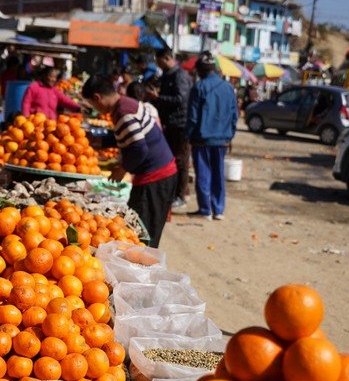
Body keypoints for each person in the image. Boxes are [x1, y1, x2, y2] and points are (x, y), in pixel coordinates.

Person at [82, 76, 178, 247]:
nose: (95, 109)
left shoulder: (123, 112)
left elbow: (139, 149)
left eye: (92, 104)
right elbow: (128, 136)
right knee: (140, 229)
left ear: (97, 98)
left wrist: (122, 169)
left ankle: (144, 270)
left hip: (156, 177)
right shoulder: (124, 104)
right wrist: (101, 141)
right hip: (159, 174)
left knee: (142, 233)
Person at [185, 52, 239, 220]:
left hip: (202, 139)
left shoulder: (199, 88)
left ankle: (205, 209)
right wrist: (230, 136)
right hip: (222, 139)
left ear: (201, 70)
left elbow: (193, 117)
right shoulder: (228, 88)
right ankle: (219, 210)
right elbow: (234, 115)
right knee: (218, 174)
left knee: (203, 174)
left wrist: (187, 136)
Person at [148, 49, 193, 210]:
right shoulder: (167, 75)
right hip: (170, 124)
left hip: (180, 124)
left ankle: (181, 195)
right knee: (173, 159)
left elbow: (181, 99)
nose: (159, 66)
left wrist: (158, 98)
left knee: (181, 160)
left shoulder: (180, 75)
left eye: (160, 62)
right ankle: (174, 193)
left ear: (167, 58)